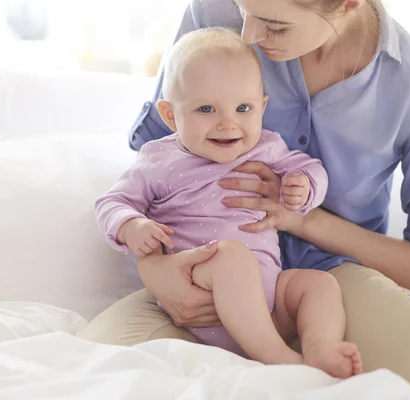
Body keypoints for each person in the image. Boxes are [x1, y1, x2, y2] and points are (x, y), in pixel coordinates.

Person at [79, 0, 410, 386]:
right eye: (242, 10)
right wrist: (158, 272)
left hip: (322, 279)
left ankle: (310, 350)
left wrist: (301, 218)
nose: (248, 35)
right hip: (192, 274)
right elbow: (150, 174)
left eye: (274, 25)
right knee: (90, 374)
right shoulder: (210, 13)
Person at [95, 27, 363, 378]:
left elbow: (309, 167)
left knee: (319, 285)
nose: (227, 123)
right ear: (170, 115)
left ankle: (320, 347)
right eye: (206, 108)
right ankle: (276, 356)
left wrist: (304, 185)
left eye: (243, 107)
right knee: (231, 255)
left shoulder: (266, 147)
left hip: (270, 305)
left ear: (262, 107)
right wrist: (132, 225)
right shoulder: (158, 160)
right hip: (203, 299)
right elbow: (112, 201)